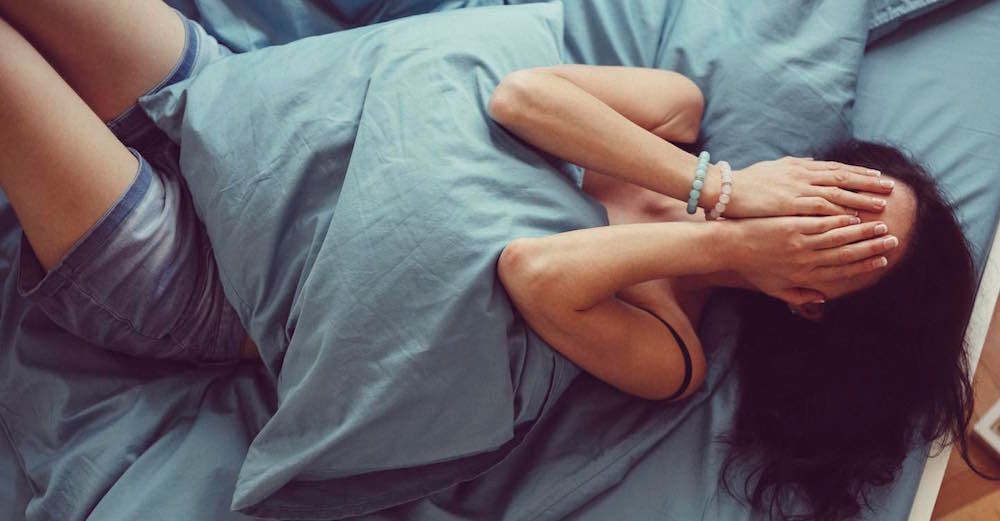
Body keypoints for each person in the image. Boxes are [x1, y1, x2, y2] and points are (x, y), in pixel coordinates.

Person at [489, 66, 978, 520]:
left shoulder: (672, 355)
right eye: (844, 193)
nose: (823, 213)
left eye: (843, 240)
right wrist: (724, 188)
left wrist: (733, 243)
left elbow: (530, 270)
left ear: (809, 302)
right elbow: (518, 98)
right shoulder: (675, 110)